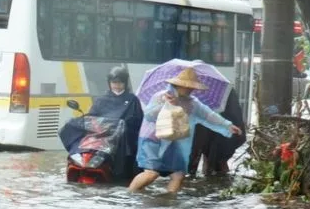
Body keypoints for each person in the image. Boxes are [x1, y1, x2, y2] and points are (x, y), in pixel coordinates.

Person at [129, 66, 241, 194]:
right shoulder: (160, 96)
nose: (190, 89)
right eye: (187, 86)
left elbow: (209, 115)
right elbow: (149, 115)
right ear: (178, 85)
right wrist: (165, 104)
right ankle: (130, 195)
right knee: (151, 173)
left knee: (178, 175)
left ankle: (169, 202)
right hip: (154, 140)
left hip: (175, 142)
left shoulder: (193, 103)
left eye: (192, 87)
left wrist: (227, 125)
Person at [58, 64, 144, 183]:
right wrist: (83, 120)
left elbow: (138, 121)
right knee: (72, 127)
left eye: (120, 83)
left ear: (125, 83)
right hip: (101, 135)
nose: (117, 86)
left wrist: (126, 124)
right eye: (114, 82)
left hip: (121, 138)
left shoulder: (132, 99)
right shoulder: (102, 99)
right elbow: (92, 116)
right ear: (109, 83)